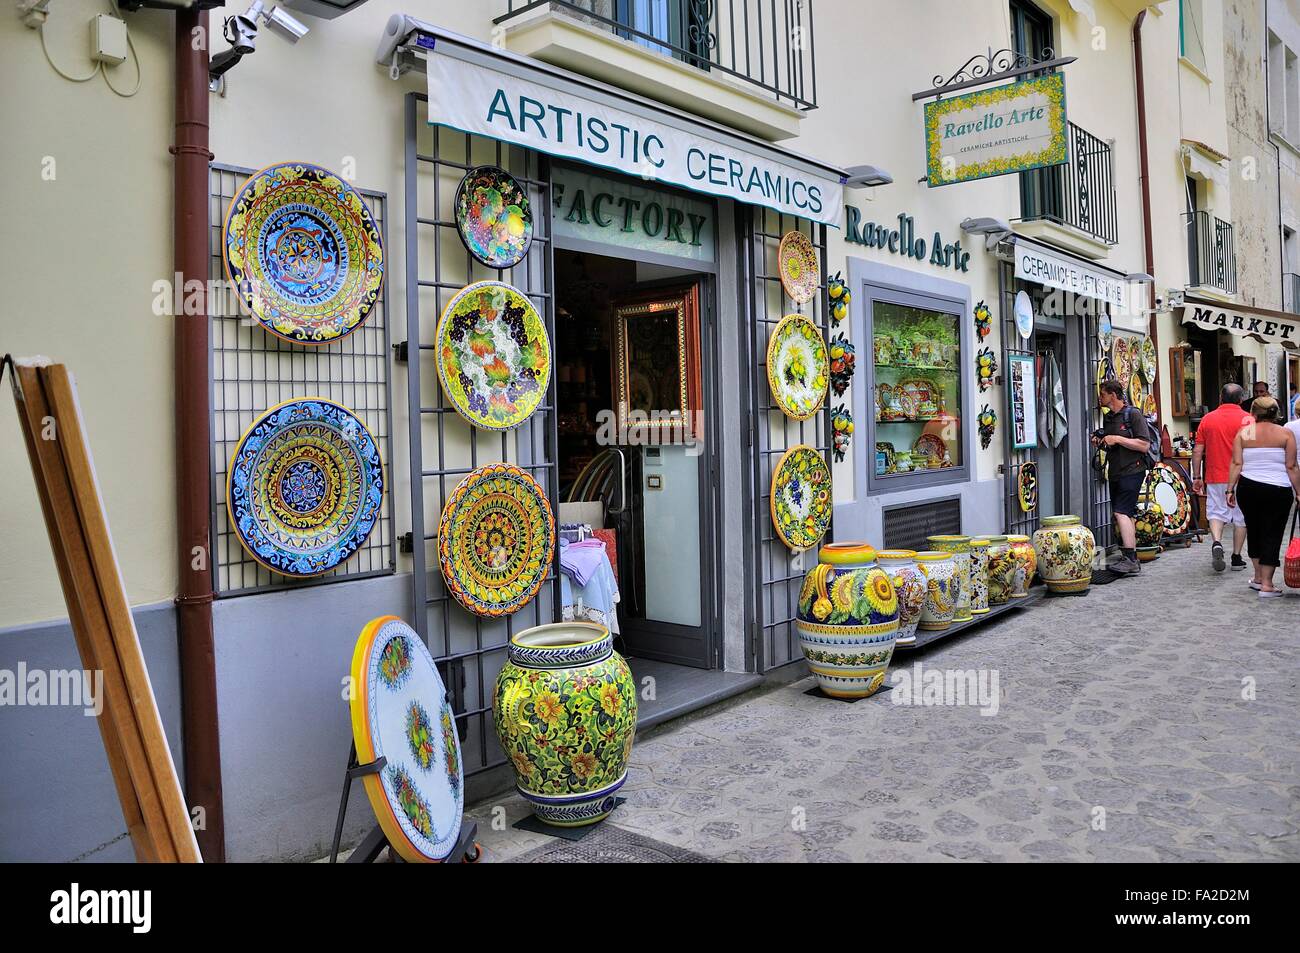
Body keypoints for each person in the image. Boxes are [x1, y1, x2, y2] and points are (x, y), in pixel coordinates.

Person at [1226, 396, 1300, 597]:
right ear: (1276, 413)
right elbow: (1291, 466)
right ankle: (1267, 584)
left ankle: (1258, 578)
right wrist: (1299, 491)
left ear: (1253, 412)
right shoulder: (1285, 434)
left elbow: (1236, 464)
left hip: (1248, 487)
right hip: (1277, 489)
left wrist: (1229, 489)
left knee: (1255, 530)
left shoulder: (1244, 433)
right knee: (1272, 532)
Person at [1192, 383, 1252, 572]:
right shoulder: (1248, 420)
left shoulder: (1208, 419)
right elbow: (1252, 449)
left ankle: (1217, 541)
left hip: (1216, 474)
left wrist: (1196, 476)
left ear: (1220, 398)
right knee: (1241, 518)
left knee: (1216, 512)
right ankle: (1236, 556)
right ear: (1241, 400)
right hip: (1242, 475)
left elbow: (1197, 450)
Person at [1094, 379, 1151, 576]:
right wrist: (1101, 440)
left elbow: (1144, 445)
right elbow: (1111, 442)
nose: (1099, 398)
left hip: (1133, 470)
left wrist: (1117, 438)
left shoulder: (1133, 414)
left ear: (1113, 394)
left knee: (1121, 513)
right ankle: (1129, 554)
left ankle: (1130, 559)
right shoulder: (1109, 418)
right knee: (1126, 514)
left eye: (1102, 394)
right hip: (1116, 471)